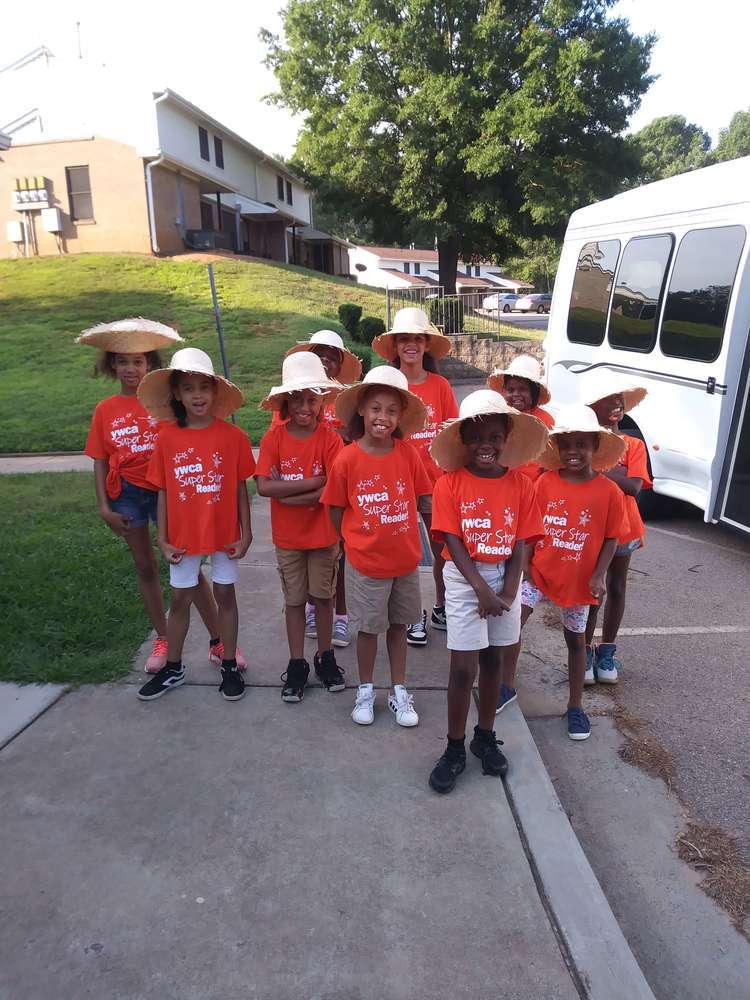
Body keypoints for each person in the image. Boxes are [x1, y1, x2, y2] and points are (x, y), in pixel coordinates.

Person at [77, 319, 239, 675]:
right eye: (122, 361)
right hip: (129, 495)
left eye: (138, 360)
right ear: (111, 365)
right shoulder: (106, 410)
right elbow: (100, 460)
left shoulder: (165, 407)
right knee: (146, 566)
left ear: (150, 364)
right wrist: (104, 506)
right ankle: (164, 639)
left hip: (173, 492)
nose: (130, 368)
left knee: (187, 568)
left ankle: (219, 641)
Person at [427, 390, 547, 794]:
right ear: (463, 440)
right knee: (463, 668)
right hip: (465, 581)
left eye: (495, 437)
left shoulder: (521, 485)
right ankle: (455, 746)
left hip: (503, 581)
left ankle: (484, 735)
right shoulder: (450, 484)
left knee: (495, 660)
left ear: (506, 438)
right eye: (477, 437)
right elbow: (453, 541)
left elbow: (521, 541)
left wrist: (510, 590)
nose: (486, 445)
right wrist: (480, 589)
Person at [135, 348, 254, 702]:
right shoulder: (167, 438)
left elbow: (239, 489)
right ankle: (174, 666)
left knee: (225, 596)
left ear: (215, 391)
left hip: (224, 534)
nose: (197, 395)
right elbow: (163, 491)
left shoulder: (233, 437)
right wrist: (163, 539)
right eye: (189, 388)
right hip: (184, 538)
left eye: (204, 386)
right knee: (181, 598)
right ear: (177, 393)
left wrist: (246, 533)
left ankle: (229, 663)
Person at [502, 404, 626, 741]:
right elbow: (529, 527)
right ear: (557, 448)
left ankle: (575, 706)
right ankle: (506, 685)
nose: (574, 452)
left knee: (576, 641)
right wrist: (525, 566)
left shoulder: (609, 492)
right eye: (567, 445)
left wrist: (599, 575)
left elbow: (612, 537)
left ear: (594, 447)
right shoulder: (544, 483)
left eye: (582, 445)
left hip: (579, 580)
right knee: (514, 624)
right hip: (538, 573)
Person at [321, 367, 431, 727]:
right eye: (375, 409)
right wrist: (353, 543)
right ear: (362, 413)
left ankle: (399, 690)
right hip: (366, 564)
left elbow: (422, 497)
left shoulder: (408, 454)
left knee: (399, 626)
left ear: (400, 417)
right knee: (368, 629)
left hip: (405, 563)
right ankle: (365, 689)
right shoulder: (347, 458)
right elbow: (336, 509)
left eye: (391, 411)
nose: (383, 417)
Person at [256, 352, 346, 703]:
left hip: (324, 535)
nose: (304, 407)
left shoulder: (330, 440)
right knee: (294, 600)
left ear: (322, 402)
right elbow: (264, 487)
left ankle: (325, 657)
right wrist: (313, 483)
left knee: (323, 597)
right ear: (285, 402)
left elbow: (333, 491)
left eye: (312, 399)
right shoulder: (274, 440)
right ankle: (296, 663)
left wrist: (288, 493)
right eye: (297, 399)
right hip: (289, 538)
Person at [372, 307, 458, 646]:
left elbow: (453, 430)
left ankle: (441, 606)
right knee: (406, 554)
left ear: (426, 345)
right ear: (395, 346)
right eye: (404, 338)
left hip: (435, 483)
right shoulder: (386, 384)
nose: (410, 344)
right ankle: (411, 616)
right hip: (398, 484)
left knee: (443, 552)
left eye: (417, 338)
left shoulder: (440, 385)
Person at [279, 330, 362, 648]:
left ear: (340, 362)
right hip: (303, 500)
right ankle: (313, 610)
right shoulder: (292, 395)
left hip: (339, 487)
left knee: (336, 554)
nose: (326, 359)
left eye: (333, 355)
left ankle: (339, 616)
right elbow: (282, 441)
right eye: (320, 353)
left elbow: (356, 437)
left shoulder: (346, 398)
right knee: (305, 560)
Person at [583, 376, 650, 684]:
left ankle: (606, 651)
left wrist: (597, 470)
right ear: (592, 406)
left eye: (619, 400)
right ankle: (582, 650)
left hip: (625, 528)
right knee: (591, 591)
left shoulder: (634, 444)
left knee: (618, 586)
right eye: (608, 399)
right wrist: (616, 473)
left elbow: (634, 487)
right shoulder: (586, 442)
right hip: (590, 526)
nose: (616, 405)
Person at [487, 354, 554, 480]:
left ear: (534, 392)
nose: (516, 394)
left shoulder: (545, 420)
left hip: (534, 486)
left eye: (523, 389)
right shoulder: (499, 417)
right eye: (511, 390)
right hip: (503, 483)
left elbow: (551, 459)